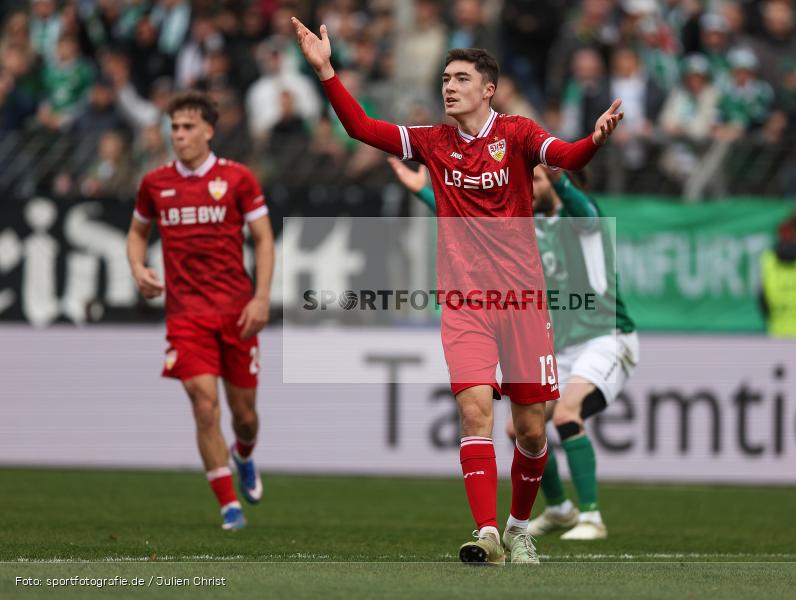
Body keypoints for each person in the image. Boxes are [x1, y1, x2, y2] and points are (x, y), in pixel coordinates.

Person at [292, 17, 623, 564]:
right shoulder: (433, 141)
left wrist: (594, 139)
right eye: (446, 78)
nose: (449, 86)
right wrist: (327, 71)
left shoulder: (517, 133)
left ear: (488, 89)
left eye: (461, 78)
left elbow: (566, 158)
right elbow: (361, 127)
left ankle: (519, 527)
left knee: (531, 431)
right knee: (474, 414)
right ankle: (487, 533)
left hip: (523, 303)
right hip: (466, 304)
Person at [388, 159, 638, 541]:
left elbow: (585, 213)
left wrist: (562, 182)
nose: (527, 187)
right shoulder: (524, 227)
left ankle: (592, 516)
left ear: (554, 182)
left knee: (566, 414)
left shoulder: (581, 218)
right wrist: (424, 191)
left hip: (606, 337)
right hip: (563, 347)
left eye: (535, 179)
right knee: (517, 429)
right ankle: (560, 509)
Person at [126, 91, 274, 530]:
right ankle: (229, 505)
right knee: (204, 405)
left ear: (209, 131)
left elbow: (264, 238)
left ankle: (244, 454)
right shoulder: (155, 183)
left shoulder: (238, 178)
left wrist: (261, 297)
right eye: (174, 128)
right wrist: (138, 267)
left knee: (244, 417)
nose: (179, 135)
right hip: (186, 315)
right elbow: (137, 233)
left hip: (236, 312)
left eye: (188, 127)